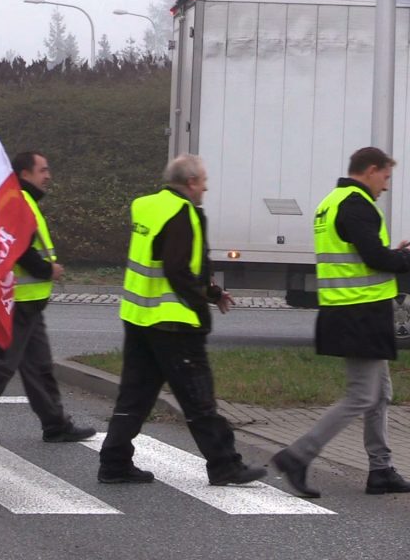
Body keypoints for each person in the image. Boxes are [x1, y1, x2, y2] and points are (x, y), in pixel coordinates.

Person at [98, 154, 265, 486]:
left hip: (138, 317)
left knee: (135, 395)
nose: (206, 187)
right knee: (198, 398)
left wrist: (213, 292)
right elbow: (178, 269)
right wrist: (202, 300)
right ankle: (225, 465)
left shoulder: (146, 205)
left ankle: (114, 463)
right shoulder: (183, 213)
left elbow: (160, 261)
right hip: (174, 324)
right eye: (203, 181)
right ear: (190, 183)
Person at [272, 147, 410, 498]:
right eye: (386, 177)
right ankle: (298, 456)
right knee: (362, 396)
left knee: (380, 394)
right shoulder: (356, 204)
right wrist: (404, 257)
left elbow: (362, 258)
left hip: (353, 311)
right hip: (358, 314)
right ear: (371, 170)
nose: (386, 186)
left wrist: (397, 254)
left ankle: (381, 470)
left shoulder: (333, 201)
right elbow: (375, 258)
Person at [0, 151, 96, 447]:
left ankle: (55, 424)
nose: (48, 175)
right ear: (25, 174)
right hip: (19, 300)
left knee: (38, 367)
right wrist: (46, 269)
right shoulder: (21, 203)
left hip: (29, 302)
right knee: (0, 363)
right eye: (43, 170)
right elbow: (21, 250)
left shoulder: (21, 202)